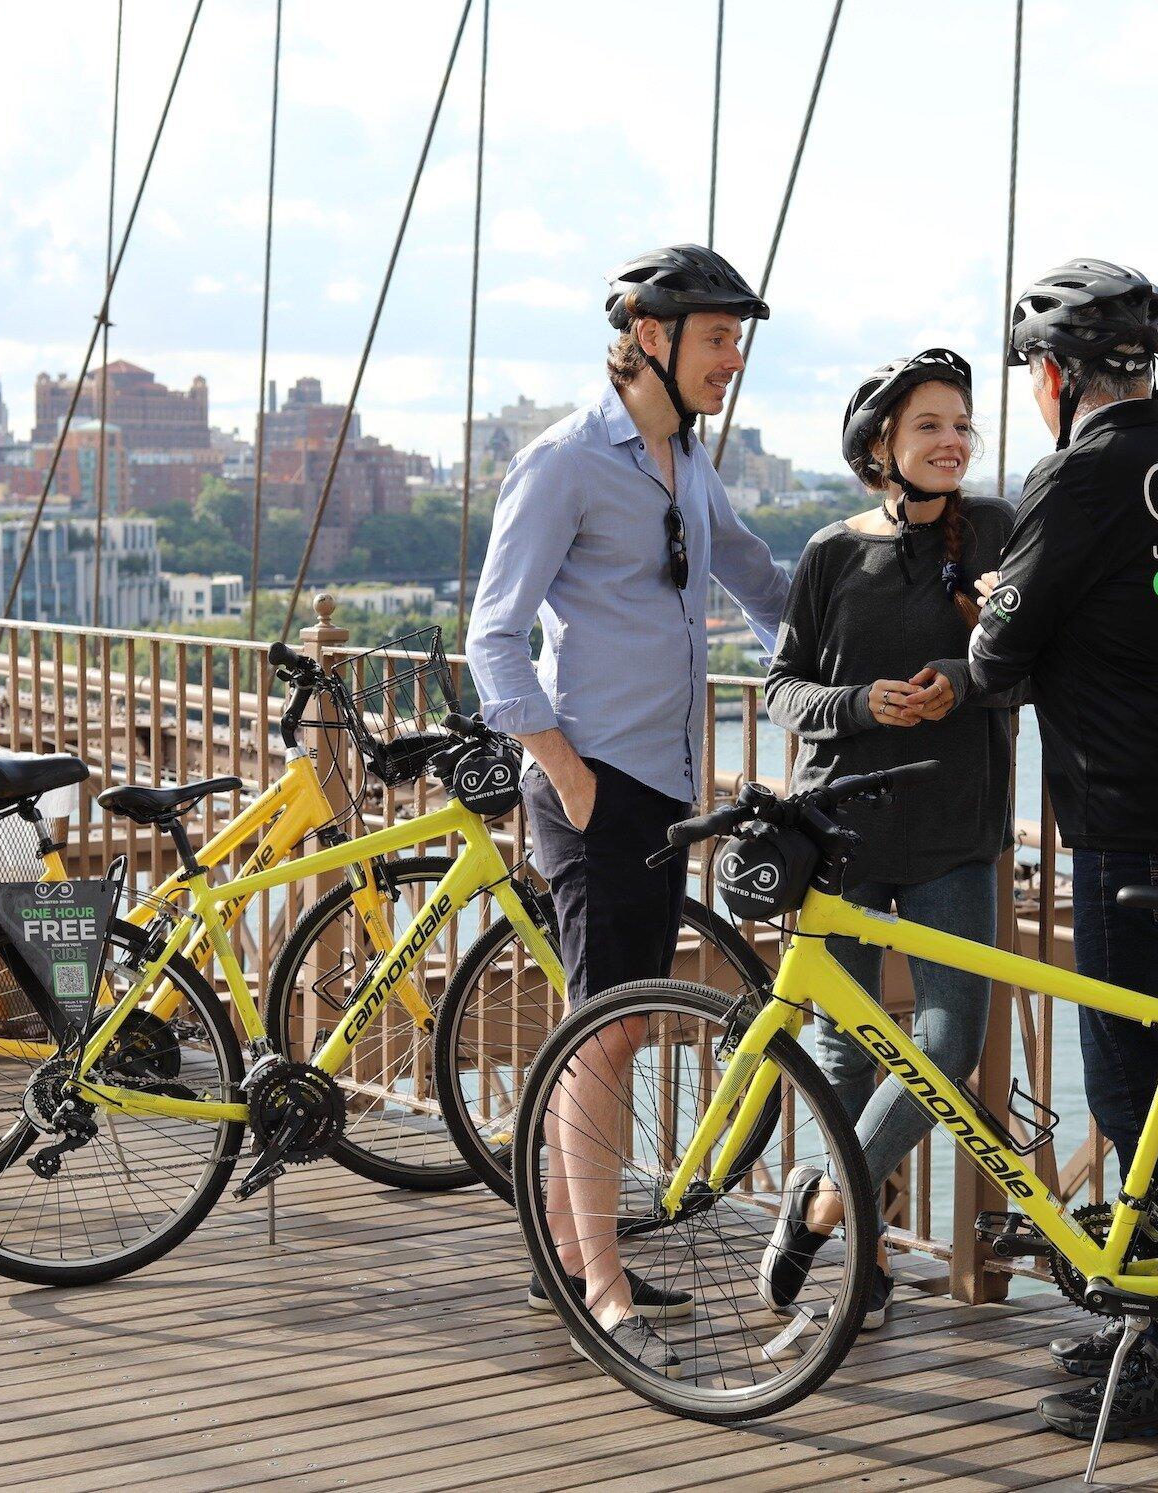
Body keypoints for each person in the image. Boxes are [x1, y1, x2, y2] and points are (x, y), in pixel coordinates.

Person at [465, 244, 790, 1369]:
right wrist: (566, 767)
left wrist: (891, 637)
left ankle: (574, 1245)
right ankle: (599, 1284)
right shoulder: (563, 461)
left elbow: (761, 584)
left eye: (736, 339)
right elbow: (492, 636)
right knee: (604, 1037)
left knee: (620, 1023)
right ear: (649, 335)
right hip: (596, 782)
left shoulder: (684, 461)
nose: (731, 358)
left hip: (661, 784)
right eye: (715, 338)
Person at [965, 259, 1158, 1441]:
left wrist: (996, 601)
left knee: (1132, 1083)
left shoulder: (1078, 477)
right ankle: (1155, 1309)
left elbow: (995, 660)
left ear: (1052, 376)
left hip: (1125, 813)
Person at [751, 348, 1019, 1333]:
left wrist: (966, 676)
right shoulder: (831, 553)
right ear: (881, 446)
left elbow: (1033, 663)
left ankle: (823, 1205)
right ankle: (860, 1260)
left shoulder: (996, 530)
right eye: (929, 427)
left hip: (956, 831)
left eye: (961, 425)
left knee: (948, 1041)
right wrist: (863, 702)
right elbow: (781, 689)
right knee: (845, 1049)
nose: (951, 441)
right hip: (844, 832)